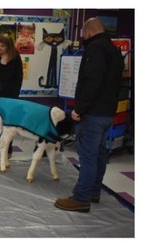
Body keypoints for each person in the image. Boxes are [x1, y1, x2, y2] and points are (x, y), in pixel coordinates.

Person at [55, 18, 123, 212]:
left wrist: (79, 109)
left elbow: (92, 82)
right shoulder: (114, 51)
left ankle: (81, 198)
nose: (83, 39)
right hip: (108, 113)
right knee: (100, 154)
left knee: (88, 156)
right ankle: (94, 191)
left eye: (84, 35)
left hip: (92, 113)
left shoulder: (95, 49)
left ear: (89, 33)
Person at [0, 34, 23, 158]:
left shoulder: (16, 58)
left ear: (9, 46)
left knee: (8, 124)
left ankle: (8, 149)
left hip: (10, 98)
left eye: (2, 46)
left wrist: (14, 97)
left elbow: (19, 79)